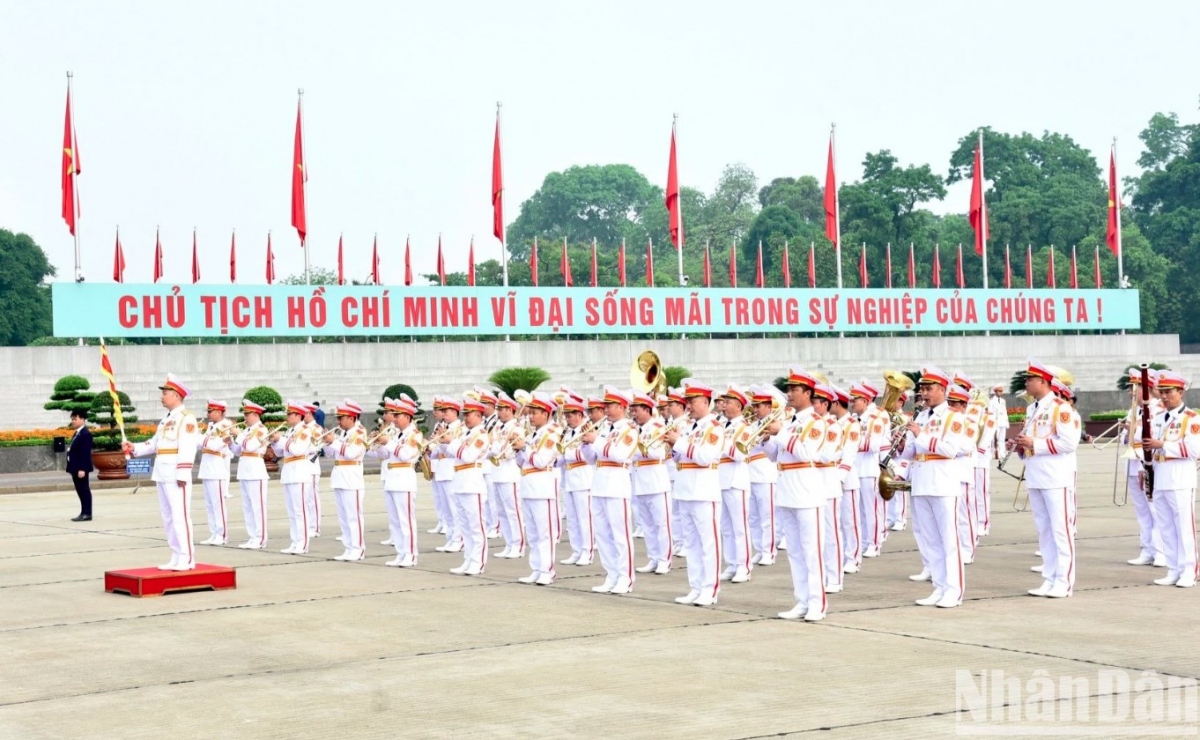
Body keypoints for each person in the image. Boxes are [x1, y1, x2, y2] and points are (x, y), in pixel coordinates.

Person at [899, 366, 971, 608]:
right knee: (930, 540)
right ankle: (939, 587)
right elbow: (911, 451)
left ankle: (954, 590)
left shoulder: (954, 417)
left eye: (929, 389)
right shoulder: (920, 416)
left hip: (943, 482)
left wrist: (921, 436)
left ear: (942, 389)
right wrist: (901, 445)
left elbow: (950, 449)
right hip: (921, 481)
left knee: (949, 540)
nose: (924, 393)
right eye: (922, 389)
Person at [769, 368, 832, 621]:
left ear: (808, 393)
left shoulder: (816, 422)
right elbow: (776, 456)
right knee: (794, 551)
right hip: (786, 489)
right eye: (789, 389)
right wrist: (766, 440)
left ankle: (817, 603)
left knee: (811, 550)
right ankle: (802, 600)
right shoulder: (790, 422)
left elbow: (807, 453)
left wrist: (780, 434)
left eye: (795, 389)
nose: (790, 394)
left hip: (806, 491)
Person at [1015, 360, 1081, 598]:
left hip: (1056, 477)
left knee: (1061, 531)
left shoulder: (1060, 408)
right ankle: (1049, 578)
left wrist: (1036, 444)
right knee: (1044, 530)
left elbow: (1068, 443)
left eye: (1030, 379)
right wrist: (1022, 447)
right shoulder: (1032, 408)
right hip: (1037, 475)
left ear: (1043, 382)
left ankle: (1064, 581)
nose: (1026, 383)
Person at [124, 374, 202, 571]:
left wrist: (183, 473)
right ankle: (176, 555)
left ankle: (187, 557)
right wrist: (135, 447)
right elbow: (155, 444)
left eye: (165, 393)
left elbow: (188, 447)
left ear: (176, 395)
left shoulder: (187, 418)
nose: (162, 396)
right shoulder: (166, 420)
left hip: (176, 473)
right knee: (167, 517)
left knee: (180, 516)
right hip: (162, 472)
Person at [664, 379, 725, 607]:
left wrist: (678, 441)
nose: (689, 405)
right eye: (687, 401)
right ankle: (696, 586)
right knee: (691, 543)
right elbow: (679, 458)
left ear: (706, 402)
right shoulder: (689, 427)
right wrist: (672, 444)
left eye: (693, 401)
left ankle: (710, 589)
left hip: (703, 490)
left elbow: (704, 457)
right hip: (685, 489)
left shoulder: (714, 428)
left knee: (708, 543)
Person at [1142, 371, 1199, 588]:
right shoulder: (1158, 418)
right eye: (1162, 392)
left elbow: (1195, 449)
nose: (1164, 397)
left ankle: (1189, 570)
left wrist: (1162, 445)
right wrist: (1146, 469)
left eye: (1169, 392)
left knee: (1184, 527)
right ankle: (1173, 569)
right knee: (1166, 527)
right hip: (1161, 477)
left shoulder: (1191, 419)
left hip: (1181, 480)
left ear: (1180, 392)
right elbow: (1150, 448)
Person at [582, 386, 639, 595]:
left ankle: (625, 577)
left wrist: (595, 440)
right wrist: (586, 444)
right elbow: (590, 459)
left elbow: (620, 454)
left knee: (620, 535)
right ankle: (611, 574)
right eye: (605, 405)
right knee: (603, 534)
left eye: (611, 406)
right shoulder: (604, 429)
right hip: (599, 484)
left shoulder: (629, 429)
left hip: (617, 484)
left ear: (622, 407)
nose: (606, 409)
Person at [514, 392, 563, 585]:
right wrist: (519, 450)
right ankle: (536, 568)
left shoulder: (551, 434)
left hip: (543, 488)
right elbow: (522, 463)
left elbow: (541, 461)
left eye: (535, 413)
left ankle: (547, 570)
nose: (531, 416)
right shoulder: (534, 435)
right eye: (531, 412)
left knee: (544, 533)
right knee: (533, 533)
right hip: (529, 486)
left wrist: (524, 448)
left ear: (546, 413)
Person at [1122, 369, 1166, 567]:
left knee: (1154, 509)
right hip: (1133, 463)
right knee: (1142, 511)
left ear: (1147, 389)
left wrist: (1134, 429)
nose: (1131, 392)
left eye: (1136, 387)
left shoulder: (1158, 409)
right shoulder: (1134, 410)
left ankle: (1161, 551)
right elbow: (1126, 439)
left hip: (1148, 462)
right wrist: (1127, 431)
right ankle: (1147, 548)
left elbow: (1153, 436)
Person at [444, 396, 492, 575]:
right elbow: (452, 453)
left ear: (479, 415)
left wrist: (452, 442)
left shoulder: (481, 436)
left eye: (469, 414)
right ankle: (468, 559)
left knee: (476, 526)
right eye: (465, 414)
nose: (465, 418)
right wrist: (444, 443)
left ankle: (478, 562)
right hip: (460, 483)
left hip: (472, 484)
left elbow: (468, 456)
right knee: (465, 525)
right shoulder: (465, 434)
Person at [630, 391, 673, 575]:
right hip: (640, 481)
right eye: (632, 410)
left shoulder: (658, 427)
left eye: (636, 410)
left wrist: (639, 448)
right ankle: (653, 557)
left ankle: (664, 559)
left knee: (661, 524)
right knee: (647, 524)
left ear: (647, 410)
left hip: (656, 481)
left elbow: (660, 453)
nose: (633, 414)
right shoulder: (634, 429)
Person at [717, 385, 755, 584]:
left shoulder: (745, 427)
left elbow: (741, 454)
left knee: (739, 526)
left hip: (736, 479)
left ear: (739, 405)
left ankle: (744, 566)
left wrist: (722, 445)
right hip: (720, 479)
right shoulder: (722, 425)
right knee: (726, 527)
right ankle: (731, 563)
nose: (724, 405)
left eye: (729, 402)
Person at [270, 400, 316, 555]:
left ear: (298, 416)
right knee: (291, 512)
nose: (287, 417)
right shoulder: (290, 432)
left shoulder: (304, 430)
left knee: (299, 511)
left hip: (299, 472)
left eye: (289, 414)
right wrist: (275, 442)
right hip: (289, 471)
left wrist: (281, 440)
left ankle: (302, 543)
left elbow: (297, 449)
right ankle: (295, 541)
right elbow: (279, 454)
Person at [325, 400, 368, 561]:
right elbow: (331, 454)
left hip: (352, 478)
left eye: (341, 418)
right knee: (343, 517)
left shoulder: (359, 432)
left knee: (353, 516)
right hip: (340, 476)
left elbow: (351, 453)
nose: (338, 421)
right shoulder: (344, 433)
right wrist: (328, 443)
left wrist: (334, 441)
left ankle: (358, 548)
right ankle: (348, 547)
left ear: (351, 417)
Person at [556, 393, 595, 566]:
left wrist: (566, 454)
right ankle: (576, 550)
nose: (567, 418)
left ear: (579, 415)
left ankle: (587, 550)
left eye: (570, 415)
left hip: (583, 478)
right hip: (569, 478)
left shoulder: (587, 430)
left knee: (584, 517)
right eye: (566, 415)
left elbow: (583, 454)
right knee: (572, 518)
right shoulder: (568, 432)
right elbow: (563, 455)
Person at [746, 385, 782, 566]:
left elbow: (774, 449)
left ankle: (769, 550)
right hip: (751, 474)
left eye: (759, 406)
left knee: (768, 516)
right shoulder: (752, 425)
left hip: (766, 473)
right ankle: (759, 549)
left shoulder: (775, 424)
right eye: (754, 406)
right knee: (753, 516)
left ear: (768, 406)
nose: (755, 409)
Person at [489, 392, 526, 560]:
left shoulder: (516, 428)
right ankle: (509, 543)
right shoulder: (498, 427)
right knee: (502, 512)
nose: (500, 412)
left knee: (513, 511)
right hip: (497, 473)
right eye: (499, 409)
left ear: (511, 410)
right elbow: (492, 447)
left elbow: (511, 453)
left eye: (504, 409)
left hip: (510, 473)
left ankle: (518, 545)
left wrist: (497, 449)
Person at [231, 400, 270, 549]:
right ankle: (252, 536)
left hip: (256, 471)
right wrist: (230, 443)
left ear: (255, 414)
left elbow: (252, 446)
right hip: (245, 470)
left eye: (247, 414)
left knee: (257, 507)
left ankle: (260, 538)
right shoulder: (247, 431)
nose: (245, 417)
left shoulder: (261, 430)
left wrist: (239, 434)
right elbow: (239, 451)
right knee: (248, 507)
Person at [198, 400, 234, 545]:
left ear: (219, 412)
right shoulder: (211, 426)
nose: (207, 414)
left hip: (216, 467)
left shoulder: (225, 426)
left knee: (218, 504)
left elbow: (217, 445)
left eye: (210, 411)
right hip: (207, 466)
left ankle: (222, 534)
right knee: (210, 504)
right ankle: (214, 533)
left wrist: (202, 439)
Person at [66, 409, 93, 521]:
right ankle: (84, 512)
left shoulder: (85, 434)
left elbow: (85, 453)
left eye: (75, 419)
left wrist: (82, 468)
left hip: (80, 468)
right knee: (80, 490)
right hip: (75, 467)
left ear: (82, 419)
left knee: (84, 490)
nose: (73, 421)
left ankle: (87, 513)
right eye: (72, 419)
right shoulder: (78, 433)